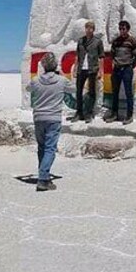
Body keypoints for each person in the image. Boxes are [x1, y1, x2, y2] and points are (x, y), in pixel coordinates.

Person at [27, 52, 72, 192]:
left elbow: (28, 88)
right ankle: (43, 179)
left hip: (39, 118)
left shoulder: (35, 80)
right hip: (53, 118)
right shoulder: (61, 81)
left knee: (42, 147)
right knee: (50, 148)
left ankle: (44, 176)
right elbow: (75, 89)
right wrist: (63, 77)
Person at [105, 20, 136, 125]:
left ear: (128, 29)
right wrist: (115, 62)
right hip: (116, 69)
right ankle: (114, 114)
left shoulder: (132, 41)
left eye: (123, 28)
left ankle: (129, 116)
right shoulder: (116, 41)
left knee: (128, 92)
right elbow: (112, 54)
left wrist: (130, 65)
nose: (121, 31)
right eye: (120, 28)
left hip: (126, 69)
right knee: (114, 92)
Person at [70, 21, 104, 123]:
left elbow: (101, 57)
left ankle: (89, 113)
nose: (88, 30)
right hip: (81, 69)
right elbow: (77, 55)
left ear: (93, 29)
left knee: (92, 92)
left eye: (90, 28)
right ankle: (79, 113)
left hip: (92, 69)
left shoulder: (98, 41)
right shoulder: (81, 41)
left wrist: (100, 71)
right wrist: (75, 68)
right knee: (78, 91)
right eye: (87, 28)